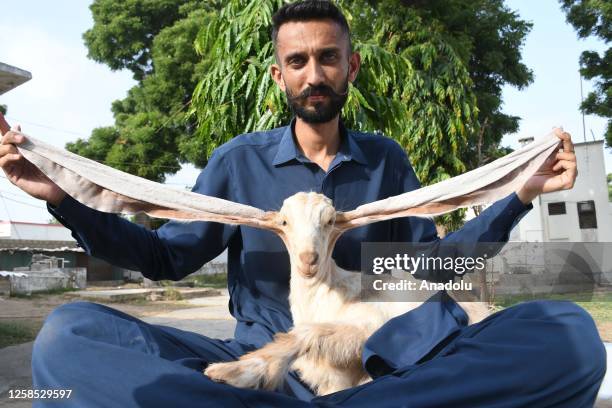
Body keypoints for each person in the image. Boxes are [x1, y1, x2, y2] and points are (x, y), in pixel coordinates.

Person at [0, 1, 604, 407]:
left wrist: (522, 193)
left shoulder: (385, 164)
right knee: (66, 336)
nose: (313, 73)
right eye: (298, 61)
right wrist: (64, 199)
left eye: (327, 57)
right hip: (259, 363)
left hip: (373, 363)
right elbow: (166, 259)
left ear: (351, 66)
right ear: (278, 75)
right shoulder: (238, 163)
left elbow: (430, 269)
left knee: (567, 333)